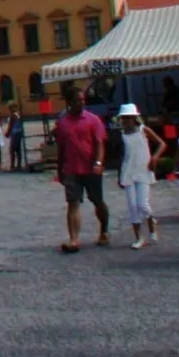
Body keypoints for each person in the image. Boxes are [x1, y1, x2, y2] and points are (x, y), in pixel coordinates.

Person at [53, 84, 109, 252]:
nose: (82, 103)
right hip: (72, 169)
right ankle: (74, 240)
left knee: (97, 201)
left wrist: (98, 163)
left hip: (91, 169)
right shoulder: (63, 124)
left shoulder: (93, 120)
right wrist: (59, 168)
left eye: (83, 100)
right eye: (78, 100)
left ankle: (104, 230)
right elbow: (61, 148)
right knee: (73, 203)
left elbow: (100, 144)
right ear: (69, 102)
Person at [114, 104, 162, 249]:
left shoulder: (143, 130)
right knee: (133, 206)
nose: (126, 121)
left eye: (128, 118)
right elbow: (122, 156)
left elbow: (161, 143)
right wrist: (119, 175)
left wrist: (155, 157)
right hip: (128, 171)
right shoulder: (122, 135)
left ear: (134, 118)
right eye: (124, 118)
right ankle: (139, 237)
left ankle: (151, 221)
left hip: (143, 170)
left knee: (143, 204)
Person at [5, 103, 26, 172]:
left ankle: (12, 165)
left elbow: (11, 125)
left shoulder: (12, 116)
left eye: (10, 108)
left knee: (12, 150)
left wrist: (7, 133)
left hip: (14, 134)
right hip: (19, 133)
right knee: (18, 150)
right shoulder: (18, 114)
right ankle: (18, 164)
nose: (9, 110)